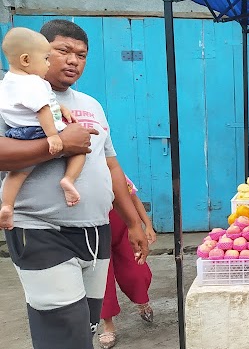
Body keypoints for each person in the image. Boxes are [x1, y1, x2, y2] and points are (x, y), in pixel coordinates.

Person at [0, 19, 149, 349]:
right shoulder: (11, 94)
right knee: (62, 331)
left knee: (87, 325)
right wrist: (60, 144)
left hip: (96, 231)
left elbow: (111, 166)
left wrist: (133, 223)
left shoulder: (91, 104)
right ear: (37, 53)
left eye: (81, 55)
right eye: (63, 51)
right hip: (41, 230)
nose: (73, 60)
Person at [0, 27, 86, 231]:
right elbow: (43, 109)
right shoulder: (34, 83)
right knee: (79, 149)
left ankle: (7, 205)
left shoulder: (7, 83)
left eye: (81, 55)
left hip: (18, 132)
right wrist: (56, 138)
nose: (47, 64)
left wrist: (61, 106)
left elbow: (39, 103)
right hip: (40, 131)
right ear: (26, 60)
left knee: (18, 173)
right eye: (46, 58)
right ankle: (68, 179)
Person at [99, 176, 156, 349]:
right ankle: (107, 325)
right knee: (102, 279)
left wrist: (147, 225)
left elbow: (133, 199)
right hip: (95, 230)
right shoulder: (72, 172)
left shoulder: (113, 172)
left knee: (137, 269)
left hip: (124, 228)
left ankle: (142, 301)